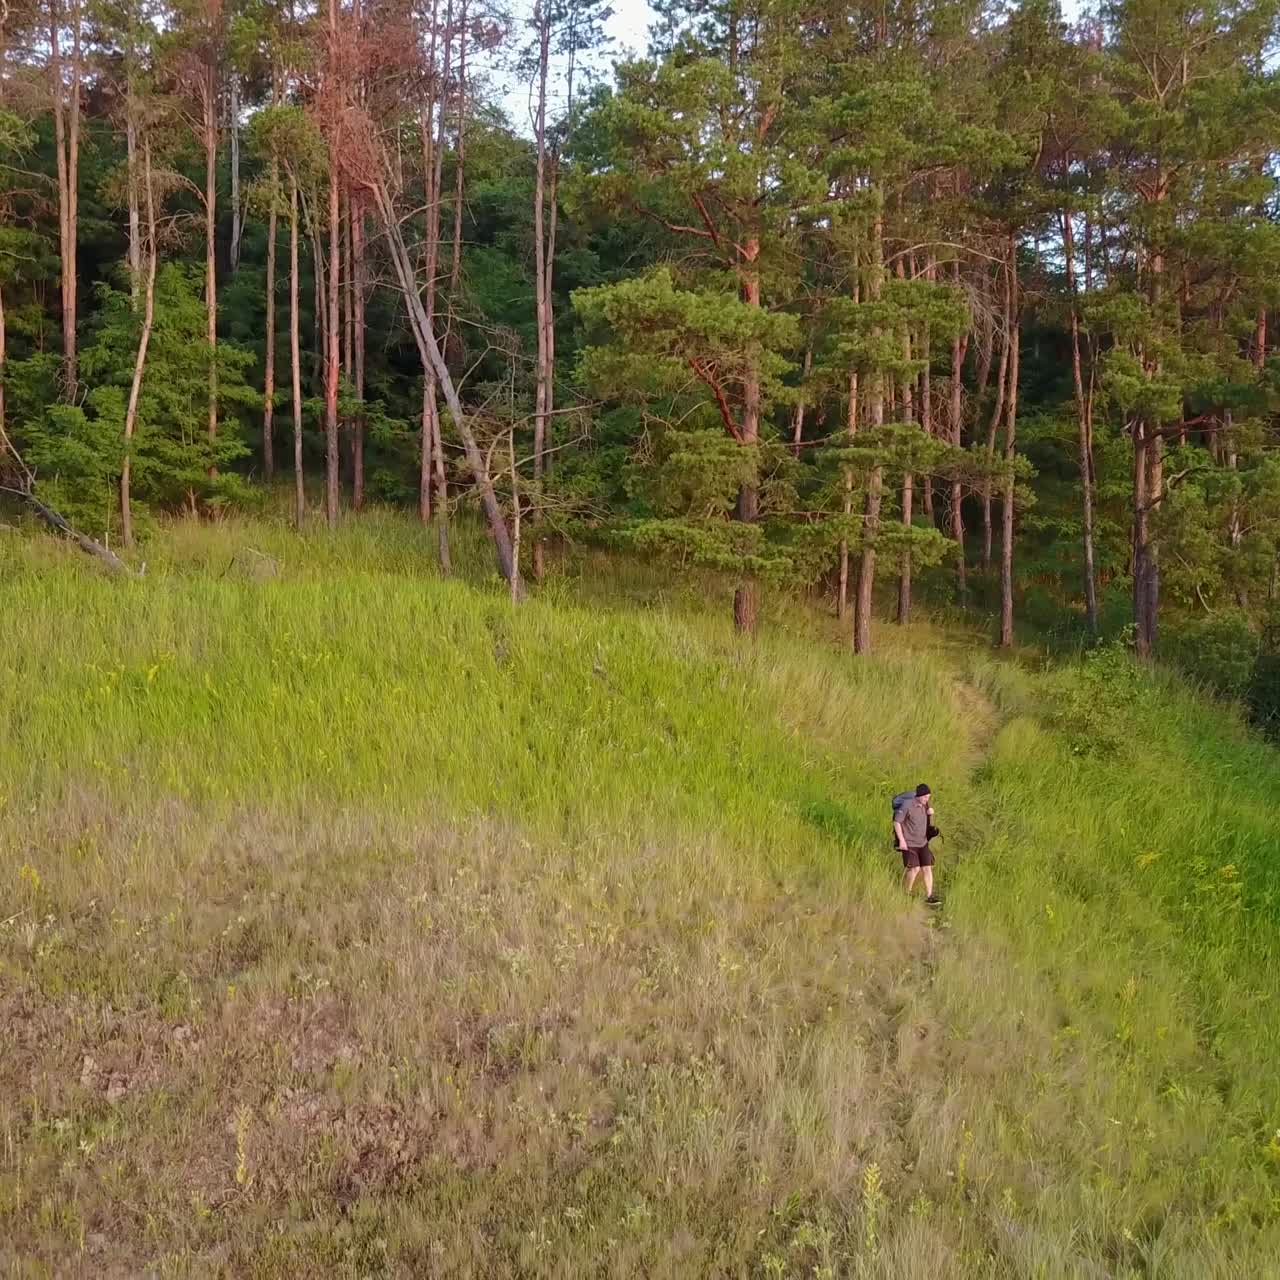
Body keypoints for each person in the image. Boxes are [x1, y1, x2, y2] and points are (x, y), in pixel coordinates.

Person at [894, 783, 940, 905]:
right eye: (925, 797)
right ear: (919, 796)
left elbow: (927, 823)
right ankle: (906, 893)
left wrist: (930, 814)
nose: (927, 799)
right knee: (915, 868)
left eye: (928, 797)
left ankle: (930, 896)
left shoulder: (925, 806)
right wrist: (901, 840)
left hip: (923, 843)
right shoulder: (906, 806)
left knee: (927, 868)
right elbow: (897, 822)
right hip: (909, 843)